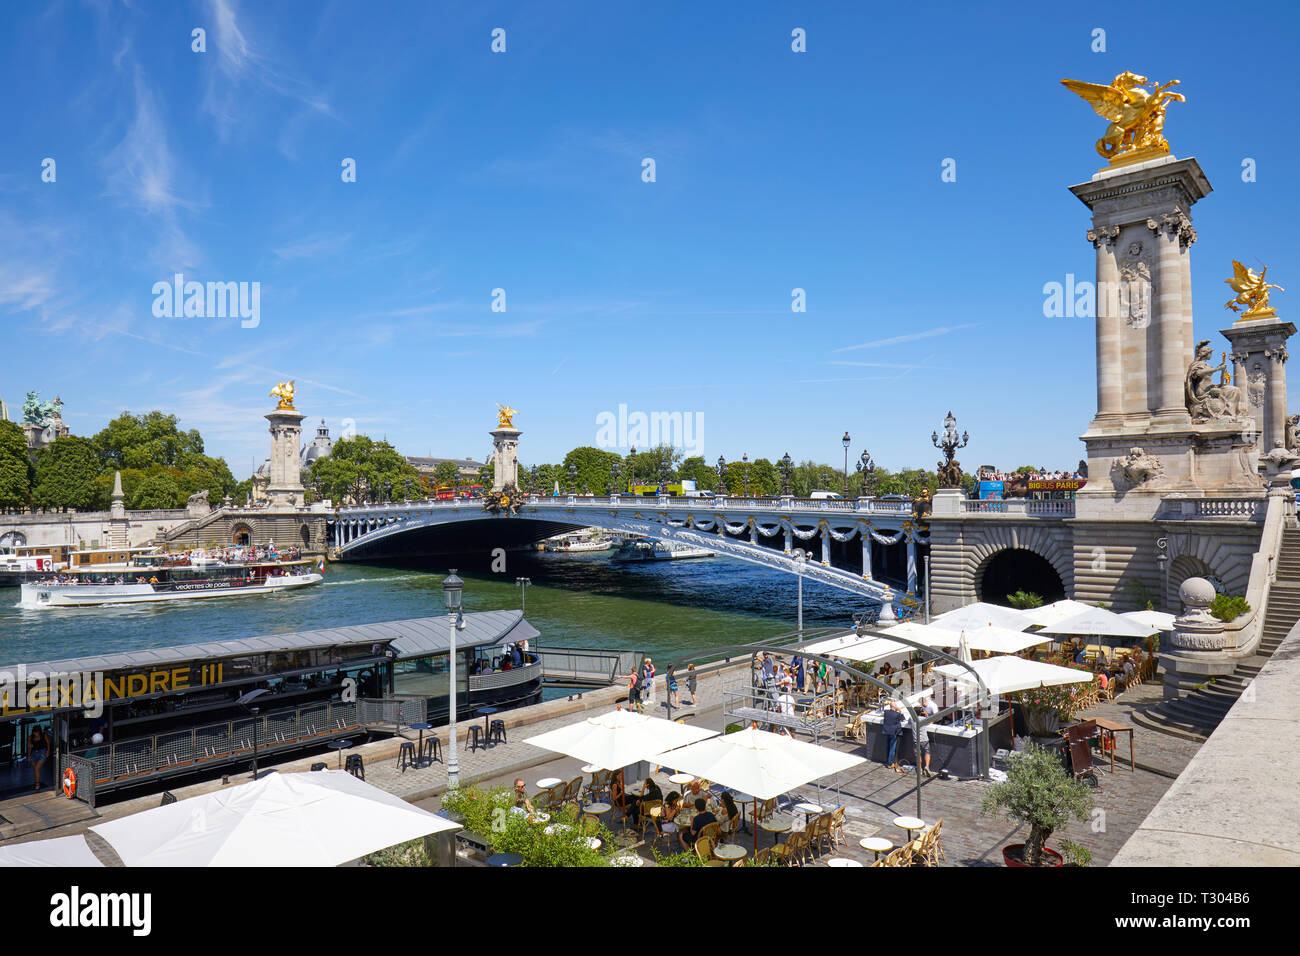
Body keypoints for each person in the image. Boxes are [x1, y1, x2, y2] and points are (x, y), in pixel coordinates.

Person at [918, 696, 940, 778]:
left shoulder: (932, 706)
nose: (922, 705)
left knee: (918, 752)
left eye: (923, 704)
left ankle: (920, 769)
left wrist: (931, 722)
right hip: (927, 721)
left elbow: (937, 715)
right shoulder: (923, 706)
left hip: (935, 720)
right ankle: (926, 767)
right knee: (926, 751)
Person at [882, 699, 904, 773]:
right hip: (893, 732)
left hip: (886, 731)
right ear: (895, 706)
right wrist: (900, 710)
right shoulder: (897, 714)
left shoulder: (886, 712)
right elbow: (903, 718)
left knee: (887, 747)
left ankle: (887, 761)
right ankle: (890, 763)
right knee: (892, 748)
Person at [28, 725, 49, 792]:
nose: (35, 734)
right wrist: (28, 756)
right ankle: (36, 782)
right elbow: (29, 747)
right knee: (35, 769)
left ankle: (37, 785)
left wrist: (48, 751)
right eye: (34, 732)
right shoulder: (30, 737)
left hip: (42, 752)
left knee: (37, 768)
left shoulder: (44, 735)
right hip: (34, 753)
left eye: (36, 732)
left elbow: (48, 743)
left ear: (39, 732)